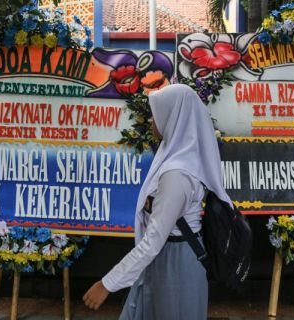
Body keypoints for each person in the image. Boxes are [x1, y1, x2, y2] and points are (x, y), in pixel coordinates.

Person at [83, 84, 233, 319]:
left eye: (157, 113)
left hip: (175, 267)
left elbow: (153, 240)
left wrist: (107, 284)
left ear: (174, 117)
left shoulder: (177, 175)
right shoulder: (177, 157)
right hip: (166, 258)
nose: (153, 119)